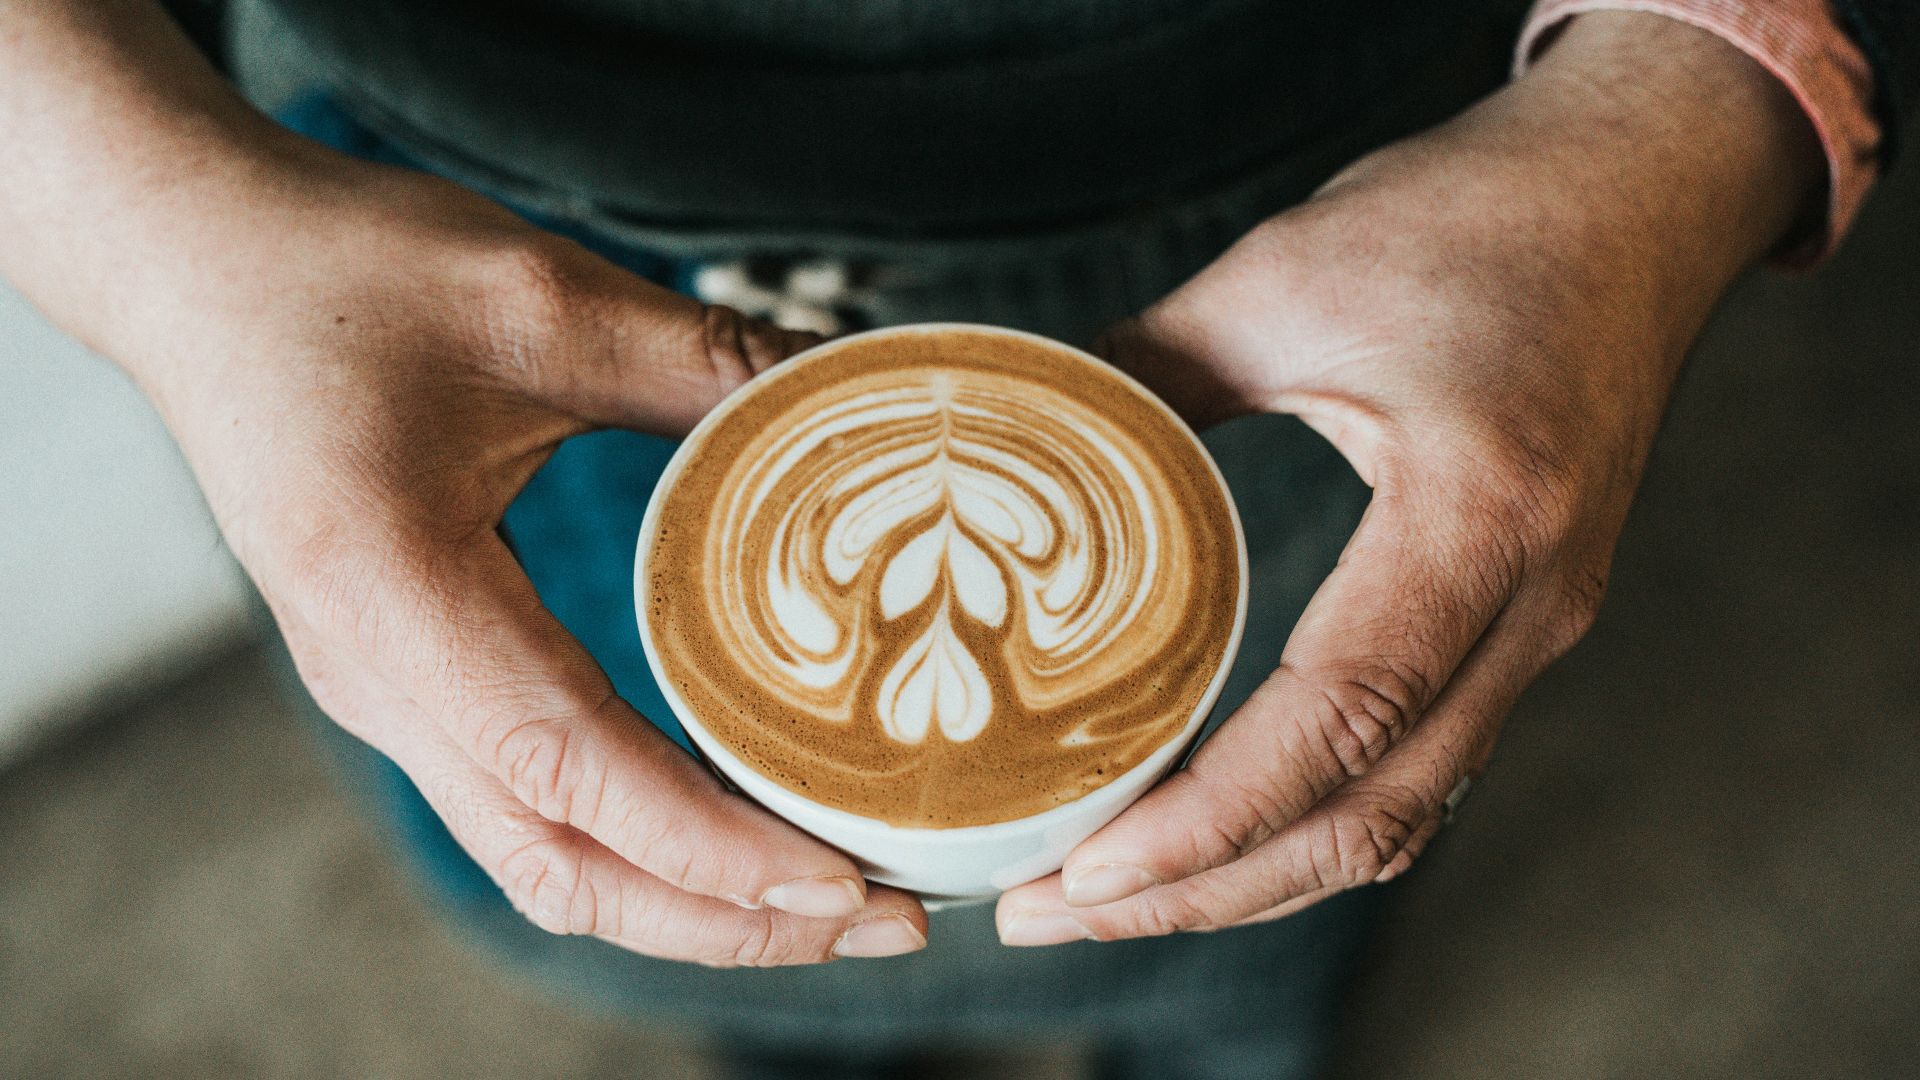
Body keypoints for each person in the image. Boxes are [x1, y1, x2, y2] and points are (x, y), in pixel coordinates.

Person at [2, 1, 1908, 1076]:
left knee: (1269, 857)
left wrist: (1678, 110)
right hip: (418, 249)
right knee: (711, 921)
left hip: (1331, 218)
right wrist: (141, 223)